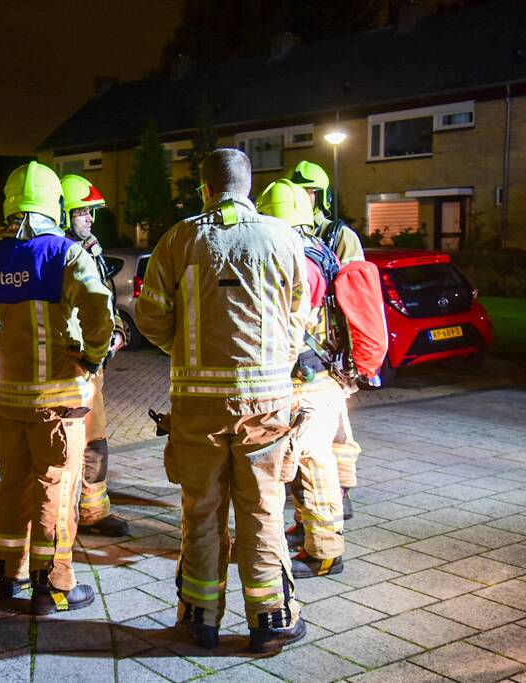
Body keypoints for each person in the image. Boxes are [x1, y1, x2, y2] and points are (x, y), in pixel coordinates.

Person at [135, 148, 309, 654]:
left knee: (201, 511)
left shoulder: (178, 239)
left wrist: (187, 350)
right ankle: (271, 620)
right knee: (263, 510)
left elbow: (150, 319)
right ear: (248, 186)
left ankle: (199, 619)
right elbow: (301, 313)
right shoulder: (283, 238)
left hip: (196, 406)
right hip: (267, 404)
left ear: (205, 189)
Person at [0, 161, 114, 615]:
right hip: (59, 402)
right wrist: (93, 355)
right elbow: (99, 308)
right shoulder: (65, 254)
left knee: (14, 486)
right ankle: (54, 585)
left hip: (11, 402)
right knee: (55, 490)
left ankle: (10, 572)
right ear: (54, 205)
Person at [256, 178, 346, 578]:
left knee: (310, 463)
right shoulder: (318, 250)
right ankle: (309, 532)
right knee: (310, 460)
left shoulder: (299, 262)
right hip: (319, 377)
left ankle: (325, 552)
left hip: (305, 381)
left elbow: (290, 328)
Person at [286, 160, 363, 519]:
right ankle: (320, 494)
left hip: (330, 348)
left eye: (312, 190)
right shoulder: (286, 232)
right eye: (301, 190)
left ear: (323, 195)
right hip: (309, 349)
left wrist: (352, 353)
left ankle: (341, 491)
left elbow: (353, 296)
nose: (306, 196)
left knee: (338, 430)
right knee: (315, 430)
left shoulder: (339, 236)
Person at [61, 174, 129, 537]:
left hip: (92, 363)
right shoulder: (57, 255)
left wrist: (116, 332)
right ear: (62, 214)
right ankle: (63, 513)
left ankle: (93, 510)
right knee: (68, 443)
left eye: (91, 213)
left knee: (95, 438)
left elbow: (105, 300)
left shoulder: (92, 252)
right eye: (82, 212)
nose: (90, 219)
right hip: (69, 362)